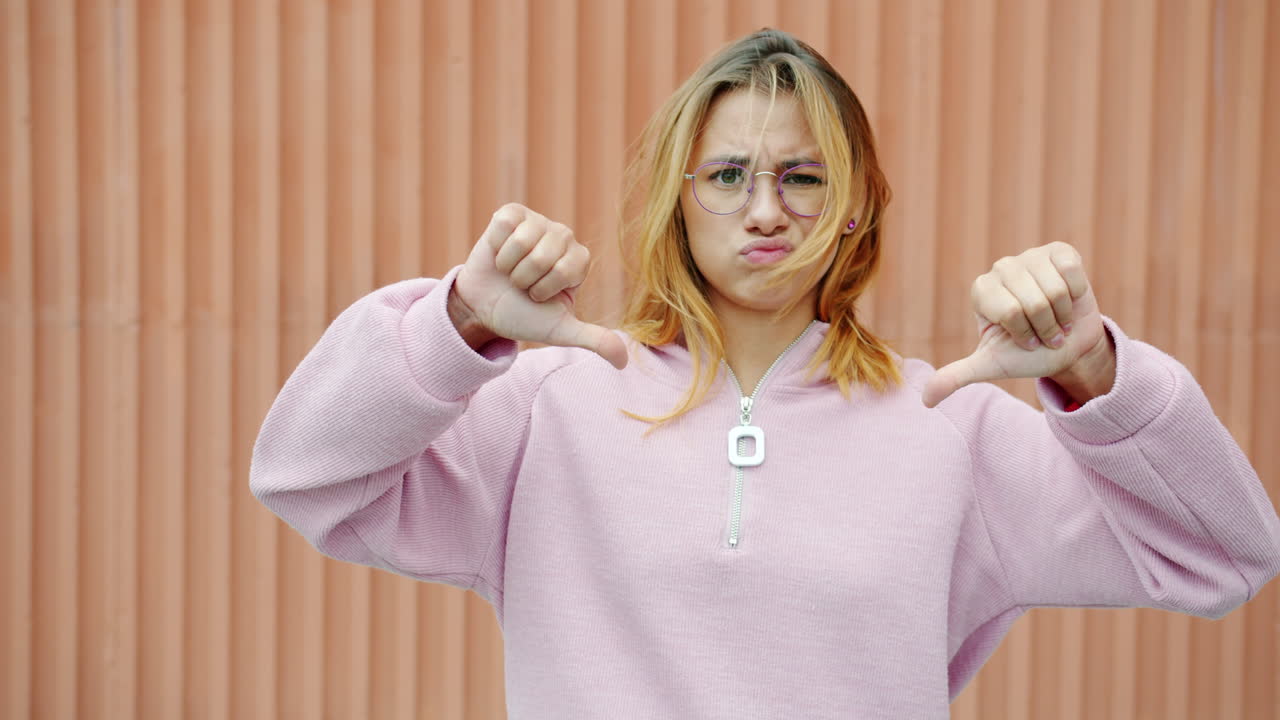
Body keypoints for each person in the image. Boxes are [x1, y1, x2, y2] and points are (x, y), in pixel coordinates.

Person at [250, 29, 1280, 718]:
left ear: (853, 207)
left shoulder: (949, 427)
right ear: (675, 197)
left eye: (801, 176)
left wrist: (1093, 375)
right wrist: (456, 325)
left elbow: (1223, 556)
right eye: (728, 176)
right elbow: (304, 475)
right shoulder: (542, 410)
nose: (764, 211)